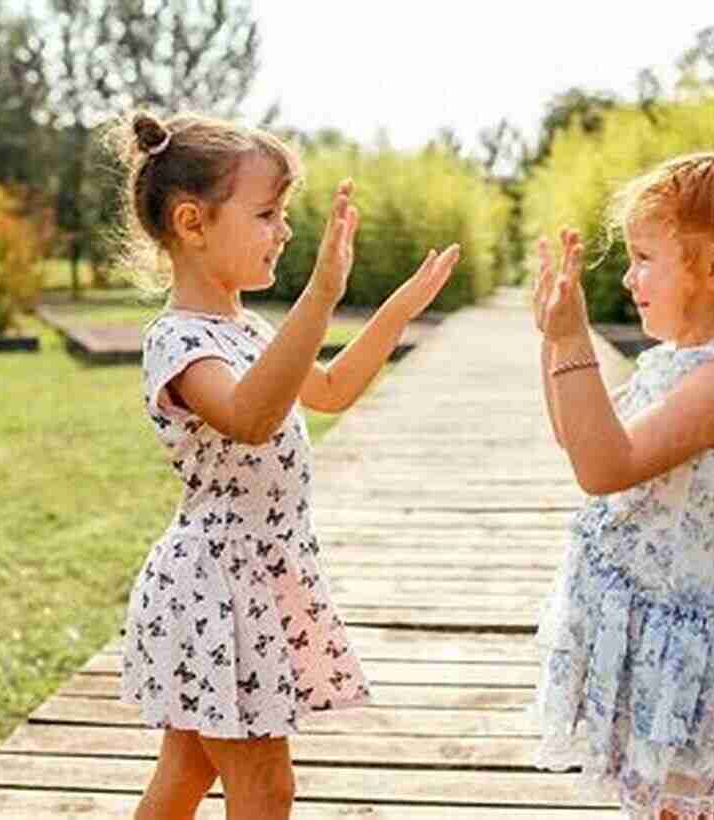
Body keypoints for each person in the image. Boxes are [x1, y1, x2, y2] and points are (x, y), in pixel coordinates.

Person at [113, 111, 459, 820]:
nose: (286, 230)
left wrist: (396, 310)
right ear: (192, 221)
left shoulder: (246, 330)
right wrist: (321, 294)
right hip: (214, 592)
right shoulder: (179, 343)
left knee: (183, 776)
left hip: (253, 585)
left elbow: (326, 390)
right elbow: (249, 416)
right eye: (268, 213)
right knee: (266, 790)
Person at [529, 151, 714, 819]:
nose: (631, 278)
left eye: (644, 258)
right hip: (643, 631)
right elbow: (578, 437)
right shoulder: (675, 363)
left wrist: (578, 339)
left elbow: (605, 467)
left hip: (686, 659)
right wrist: (554, 340)